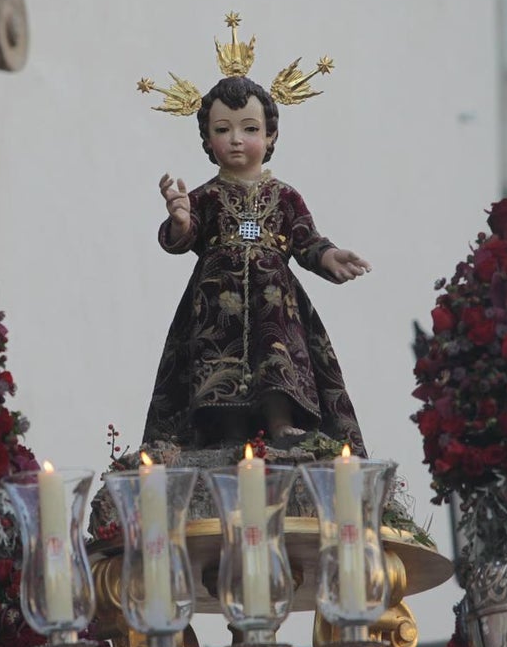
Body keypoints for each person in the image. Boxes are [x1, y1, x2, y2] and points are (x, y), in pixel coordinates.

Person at [141, 76, 371, 454]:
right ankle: (227, 430)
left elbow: (306, 240)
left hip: (274, 298)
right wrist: (180, 219)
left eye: (249, 129)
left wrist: (331, 257)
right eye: (222, 129)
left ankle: (281, 423)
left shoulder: (285, 196)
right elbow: (182, 238)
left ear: (271, 136)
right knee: (219, 357)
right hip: (216, 299)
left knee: (276, 351)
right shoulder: (204, 196)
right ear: (207, 139)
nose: (235, 139)